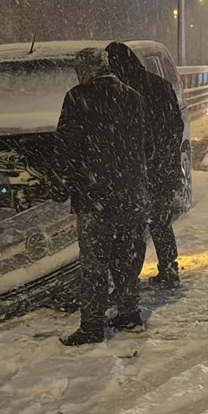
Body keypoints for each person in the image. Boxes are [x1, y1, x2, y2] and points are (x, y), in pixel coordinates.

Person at [55, 48, 150, 346]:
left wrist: (64, 182)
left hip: (95, 196)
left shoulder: (77, 98)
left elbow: (66, 148)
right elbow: (147, 147)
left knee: (95, 264)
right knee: (127, 257)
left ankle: (92, 326)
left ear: (84, 71)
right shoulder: (132, 97)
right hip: (131, 195)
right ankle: (129, 313)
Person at [106, 41, 185, 288]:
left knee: (134, 227)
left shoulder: (123, 92)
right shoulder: (160, 85)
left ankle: (129, 278)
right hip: (163, 167)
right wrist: (167, 157)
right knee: (161, 223)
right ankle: (169, 269)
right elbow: (176, 126)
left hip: (139, 169)